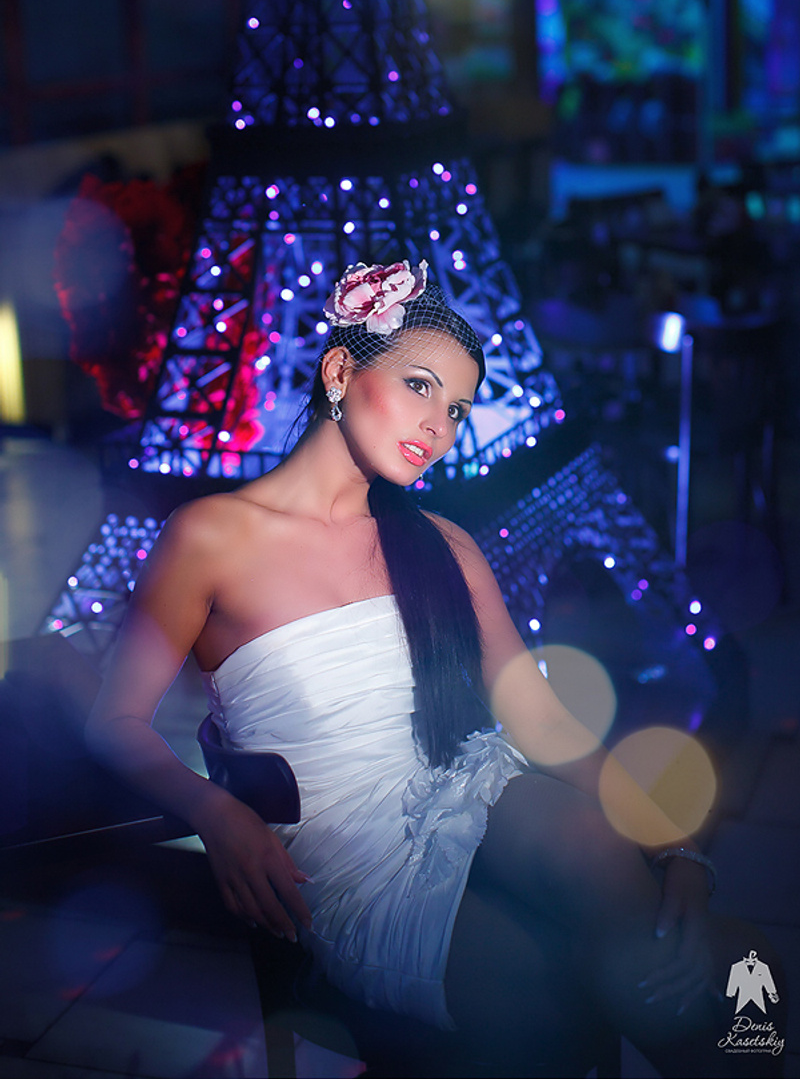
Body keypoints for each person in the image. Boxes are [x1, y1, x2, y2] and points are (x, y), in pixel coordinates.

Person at [86, 261, 781, 1078]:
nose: (439, 427)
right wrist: (216, 811)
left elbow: (541, 719)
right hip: (352, 860)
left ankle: (715, 1019)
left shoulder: (444, 544)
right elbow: (114, 722)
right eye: (419, 386)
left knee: (610, 874)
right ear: (339, 371)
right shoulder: (212, 537)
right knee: (568, 994)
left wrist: (675, 848)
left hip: (472, 788)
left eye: (455, 409)